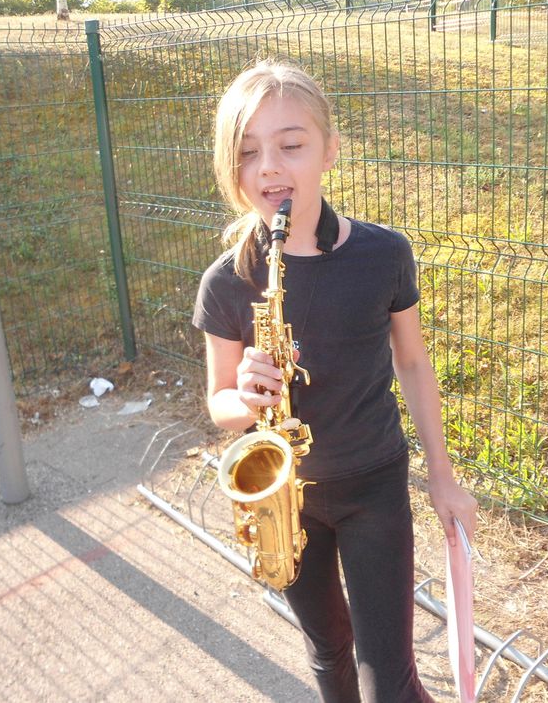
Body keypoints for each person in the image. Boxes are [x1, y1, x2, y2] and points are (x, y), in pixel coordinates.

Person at [192, 58, 478, 703]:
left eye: (291, 145)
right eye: (248, 152)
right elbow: (219, 404)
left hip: (373, 483)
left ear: (329, 150)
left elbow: (411, 363)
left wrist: (442, 476)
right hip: (283, 501)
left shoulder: (384, 254)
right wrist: (248, 393)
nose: (270, 167)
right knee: (328, 656)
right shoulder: (226, 281)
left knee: (390, 681)